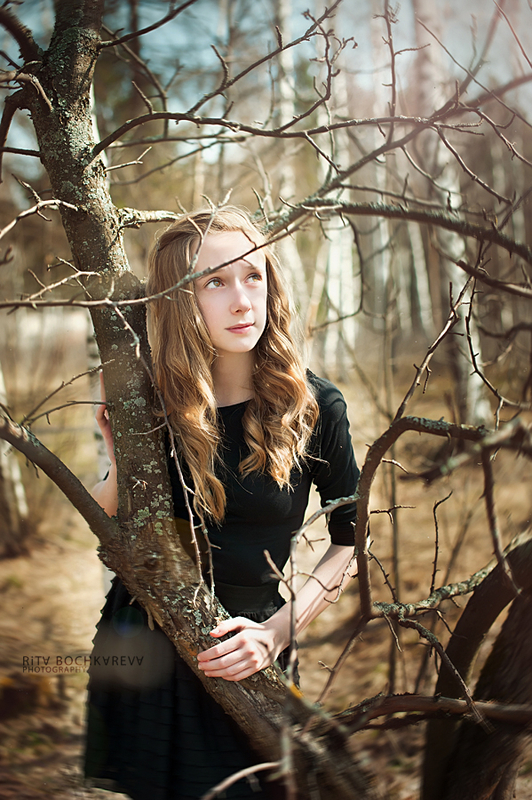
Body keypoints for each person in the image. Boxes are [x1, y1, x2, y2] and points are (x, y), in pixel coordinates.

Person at [84, 207, 360, 800]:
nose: (242, 301)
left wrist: (277, 634)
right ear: (180, 300)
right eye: (215, 281)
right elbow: (110, 526)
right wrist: (117, 450)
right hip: (144, 640)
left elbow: (351, 543)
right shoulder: (156, 403)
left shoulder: (313, 406)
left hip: (248, 647)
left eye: (253, 275)